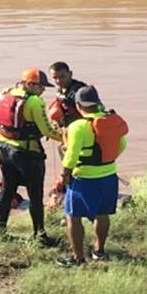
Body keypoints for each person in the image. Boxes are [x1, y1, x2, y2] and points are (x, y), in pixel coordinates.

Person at [0, 67, 63, 246]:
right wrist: (65, 137)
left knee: (7, 190)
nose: (43, 90)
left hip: (4, 150)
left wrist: (4, 140)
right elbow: (46, 130)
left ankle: (1, 230)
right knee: (35, 195)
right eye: (41, 87)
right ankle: (40, 236)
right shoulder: (34, 101)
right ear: (29, 84)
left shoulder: (1, 95)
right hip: (28, 154)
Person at [56, 86, 128, 267]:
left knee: (73, 217)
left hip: (83, 178)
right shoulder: (111, 121)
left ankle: (78, 258)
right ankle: (99, 251)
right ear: (97, 103)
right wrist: (106, 162)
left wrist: (65, 174)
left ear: (79, 105)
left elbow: (71, 155)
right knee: (102, 214)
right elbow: (122, 144)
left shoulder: (78, 126)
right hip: (109, 176)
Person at [47, 61, 88, 129]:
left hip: (82, 129)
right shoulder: (61, 89)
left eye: (62, 76)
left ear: (70, 74)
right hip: (69, 128)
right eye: (55, 78)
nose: (58, 80)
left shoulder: (81, 91)